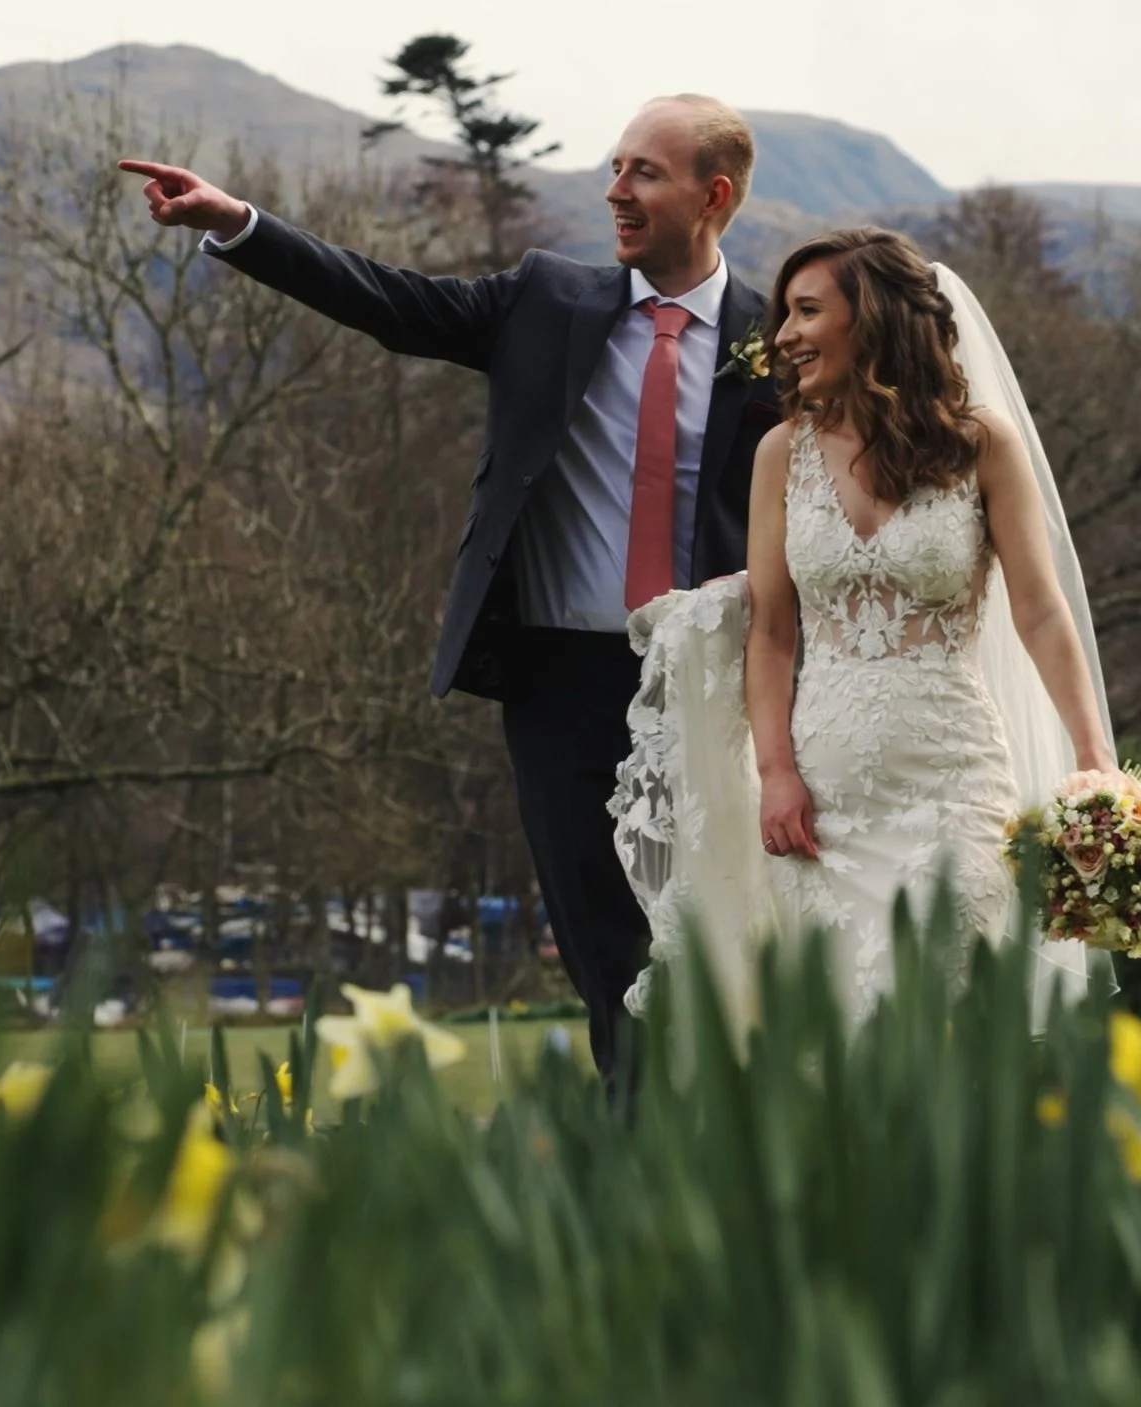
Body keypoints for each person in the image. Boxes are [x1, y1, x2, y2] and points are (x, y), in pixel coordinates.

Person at [122, 96, 781, 1097]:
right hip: (560, 679)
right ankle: (638, 1167)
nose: (616, 190)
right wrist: (234, 223)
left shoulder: (773, 340)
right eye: (614, 167)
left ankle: (730, 1149)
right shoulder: (546, 303)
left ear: (713, 194)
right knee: (608, 950)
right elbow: (391, 303)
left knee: (718, 934)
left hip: (712, 685)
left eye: (644, 172)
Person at [613, 227, 1117, 1036]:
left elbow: (1041, 609)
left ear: (874, 318)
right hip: (825, 797)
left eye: (807, 310)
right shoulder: (783, 453)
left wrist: (1094, 762)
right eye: (784, 314)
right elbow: (773, 632)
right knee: (841, 1034)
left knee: (944, 1014)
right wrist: (775, 771)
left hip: (955, 782)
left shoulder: (982, 445)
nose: (782, 335)